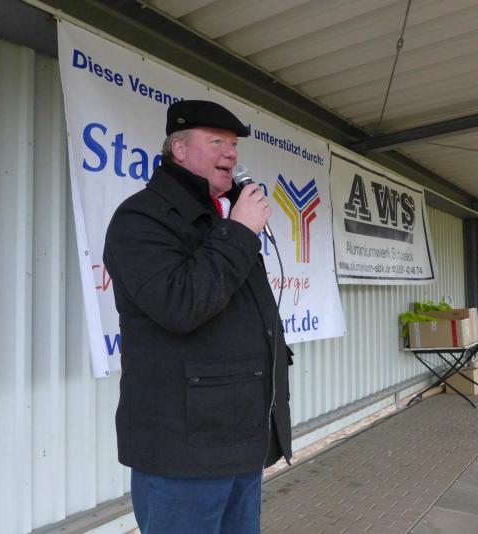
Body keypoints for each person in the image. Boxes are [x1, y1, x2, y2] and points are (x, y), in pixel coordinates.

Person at [103, 99, 293, 534]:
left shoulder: (221, 217)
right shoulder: (140, 217)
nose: (231, 153)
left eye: (234, 144)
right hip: (184, 448)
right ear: (180, 149)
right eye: (217, 142)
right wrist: (240, 232)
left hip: (239, 436)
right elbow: (181, 304)